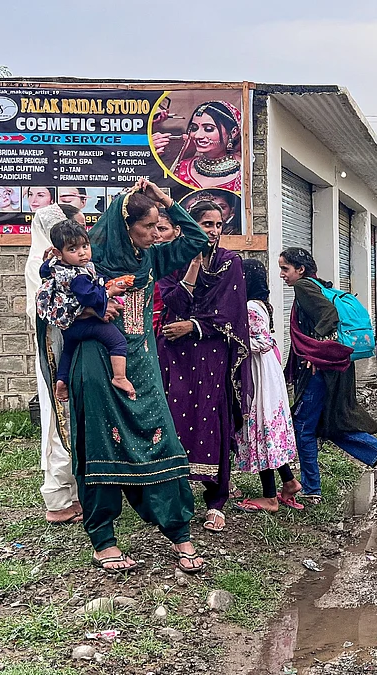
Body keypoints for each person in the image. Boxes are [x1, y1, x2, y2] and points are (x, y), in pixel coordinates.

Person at [50, 178, 209, 573]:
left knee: (161, 439)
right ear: (125, 225)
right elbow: (51, 303)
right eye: (148, 226)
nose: (156, 234)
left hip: (141, 362)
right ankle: (103, 540)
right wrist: (88, 311)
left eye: (159, 226)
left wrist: (167, 201)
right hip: (97, 362)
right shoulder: (90, 260)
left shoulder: (149, 259)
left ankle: (180, 533)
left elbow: (194, 240)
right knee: (101, 447)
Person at [156, 200, 253, 532]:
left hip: (211, 353)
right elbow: (173, 302)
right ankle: (174, 495)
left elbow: (230, 314)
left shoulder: (230, 263)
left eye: (217, 224)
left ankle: (217, 500)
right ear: (187, 228)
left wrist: (193, 326)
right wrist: (194, 264)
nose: (212, 231)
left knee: (212, 418)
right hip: (174, 353)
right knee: (173, 418)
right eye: (205, 224)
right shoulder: (170, 260)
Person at [280, 247, 377, 504]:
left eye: (285, 268)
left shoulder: (304, 287)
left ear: (300, 270)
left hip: (322, 369)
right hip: (336, 366)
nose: (282, 274)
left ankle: (312, 490)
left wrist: (317, 353)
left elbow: (329, 316)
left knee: (303, 427)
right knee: (326, 423)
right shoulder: (317, 285)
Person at [26, 203, 86, 525]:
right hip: (55, 351)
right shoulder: (41, 263)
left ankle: (74, 494)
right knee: (57, 419)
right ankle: (58, 499)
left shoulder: (54, 262)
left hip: (66, 348)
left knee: (70, 416)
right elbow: (57, 309)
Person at [233, 258, 303, 513]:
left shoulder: (250, 306)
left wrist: (231, 341)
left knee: (259, 426)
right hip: (266, 371)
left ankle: (270, 498)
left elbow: (259, 342)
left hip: (258, 374)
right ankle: (289, 481)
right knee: (268, 429)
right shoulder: (262, 304)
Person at [37, 220, 136, 401]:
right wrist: (109, 291)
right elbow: (90, 298)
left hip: (69, 325)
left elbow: (44, 270)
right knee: (118, 342)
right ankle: (119, 377)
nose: (82, 253)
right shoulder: (77, 276)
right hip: (84, 321)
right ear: (60, 252)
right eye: (73, 249)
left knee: (69, 349)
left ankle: (61, 380)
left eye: (85, 246)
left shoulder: (56, 265)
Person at [154, 101, 242, 192]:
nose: (197, 135)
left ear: (233, 132)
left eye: (208, 129)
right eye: (194, 128)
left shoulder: (244, 170)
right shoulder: (183, 167)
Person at [150, 207, 178, 334]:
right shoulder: (141, 261)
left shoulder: (187, 263)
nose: (156, 235)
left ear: (176, 231)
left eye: (162, 229)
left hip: (175, 331)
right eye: (151, 228)